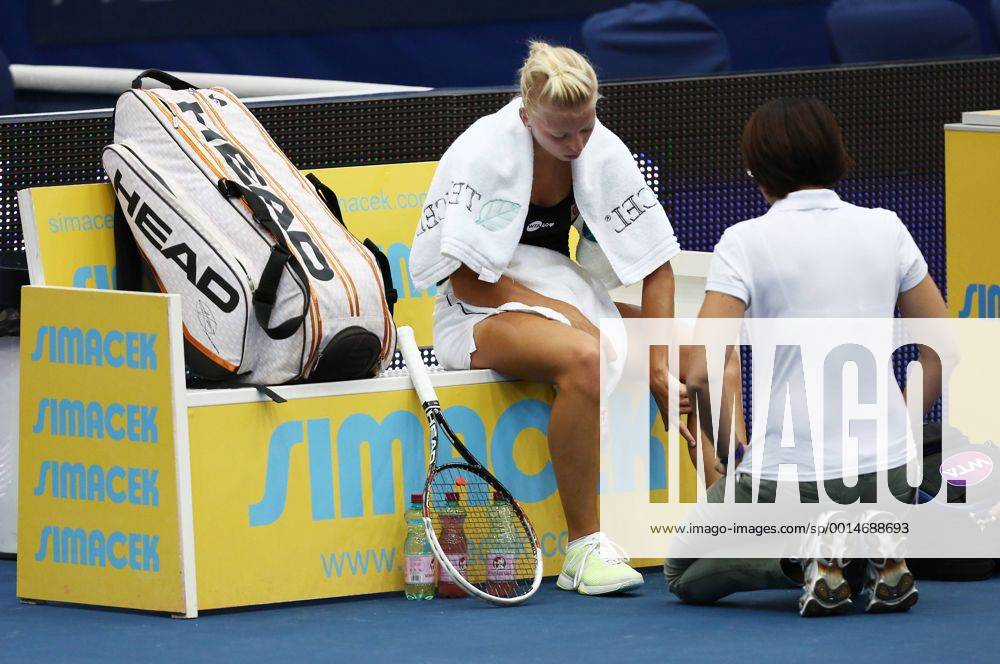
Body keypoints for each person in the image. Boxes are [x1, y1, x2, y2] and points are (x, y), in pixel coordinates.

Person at [410, 42, 730, 595]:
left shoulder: (598, 147)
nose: (577, 144)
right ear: (527, 112)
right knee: (584, 356)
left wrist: (659, 368)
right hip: (479, 310)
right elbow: (463, 280)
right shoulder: (483, 153)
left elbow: (658, 269)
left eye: (585, 128)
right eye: (561, 135)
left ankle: (729, 507)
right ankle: (584, 549)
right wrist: (559, 313)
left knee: (701, 348)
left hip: (564, 293)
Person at [665, 97, 950, 615]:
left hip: (789, 480)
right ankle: (868, 554)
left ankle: (805, 555)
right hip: (891, 477)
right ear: (838, 156)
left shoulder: (743, 241)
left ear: (757, 171)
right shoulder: (887, 227)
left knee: (681, 573)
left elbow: (699, 370)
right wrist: (903, 437)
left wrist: (732, 458)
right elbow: (943, 348)